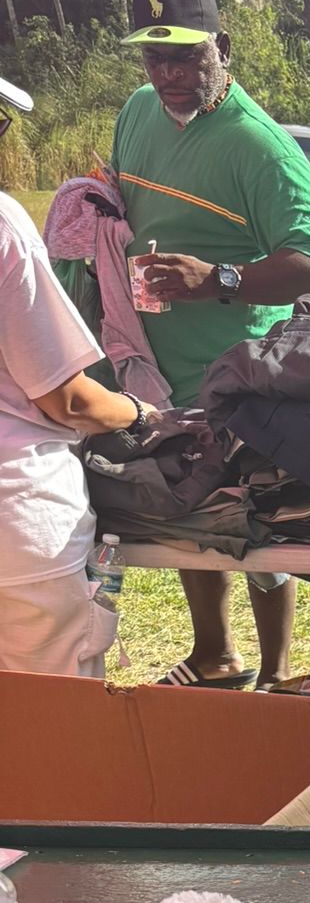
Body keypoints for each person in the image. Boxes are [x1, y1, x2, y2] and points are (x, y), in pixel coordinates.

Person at [114, 0, 310, 689]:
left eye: (187, 55)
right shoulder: (138, 113)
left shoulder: (258, 146)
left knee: (252, 522)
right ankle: (213, 654)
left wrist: (219, 280)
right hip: (158, 361)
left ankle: (274, 675)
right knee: (185, 512)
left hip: (238, 367)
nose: (172, 75)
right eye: (156, 58)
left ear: (223, 46)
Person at [0, 73, 158, 678]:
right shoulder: (5, 224)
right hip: (19, 529)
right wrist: (144, 414)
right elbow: (68, 400)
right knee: (58, 741)